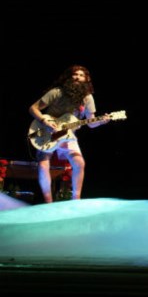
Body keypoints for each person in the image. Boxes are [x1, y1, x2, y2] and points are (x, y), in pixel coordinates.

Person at [29, 65, 109, 203]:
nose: (77, 77)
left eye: (81, 75)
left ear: (86, 79)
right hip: (48, 132)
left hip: (68, 135)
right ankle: (48, 203)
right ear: (69, 77)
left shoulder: (87, 98)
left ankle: (76, 200)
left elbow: (91, 123)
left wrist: (102, 121)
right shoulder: (56, 92)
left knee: (79, 163)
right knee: (43, 164)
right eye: (75, 74)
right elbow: (33, 108)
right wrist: (44, 121)